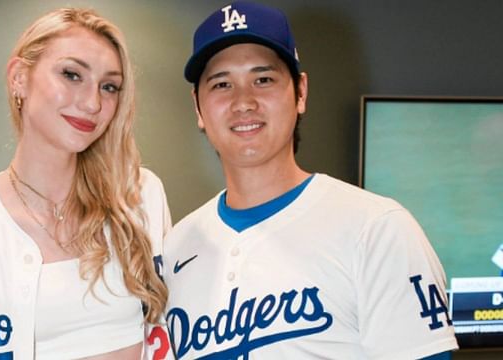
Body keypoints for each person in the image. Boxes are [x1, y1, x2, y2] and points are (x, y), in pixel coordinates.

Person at [162, 2, 458, 359]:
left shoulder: (377, 229)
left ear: (300, 92)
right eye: (222, 84)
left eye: (263, 79)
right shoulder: (178, 245)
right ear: (198, 107)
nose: (244, 102)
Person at [0, 7, 173, 360]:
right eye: (71, 74)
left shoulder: (139, 197)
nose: (93, 102)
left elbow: (169, 329)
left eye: (109, 86)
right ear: (19, 77)